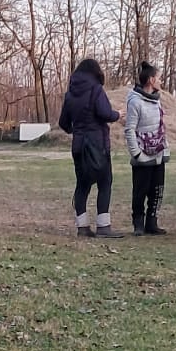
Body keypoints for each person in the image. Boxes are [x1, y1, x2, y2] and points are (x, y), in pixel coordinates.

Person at [58, 57, 120, 237]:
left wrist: (77, 130)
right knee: (104, 182)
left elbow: (63, 123)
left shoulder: (70, 94)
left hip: (78, 146)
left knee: (82, 184)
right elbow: (104, 113)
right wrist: (117, 114)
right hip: (97, 144)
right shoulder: (96, 89)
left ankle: (82, 227)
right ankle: (103, 226)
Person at [125, 60, 170, 235]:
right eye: (159, 78)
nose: (161, 81)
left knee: (157, 191)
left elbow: (161, 126)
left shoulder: (157, 101)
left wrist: (165, 149)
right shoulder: (135, 102)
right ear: (151, 80)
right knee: (140, 191)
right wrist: (137, 154)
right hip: (142, 156)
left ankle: (152, 223)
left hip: (158, 154)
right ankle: (138, 224)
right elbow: (130, 129)